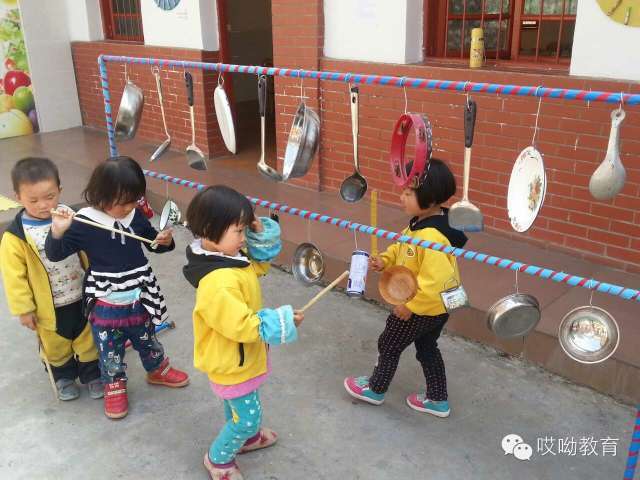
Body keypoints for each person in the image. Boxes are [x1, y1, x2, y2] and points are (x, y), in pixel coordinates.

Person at [45, 156, 189, 419]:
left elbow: (153, 246)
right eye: (122, 202)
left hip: (139, 292)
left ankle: (157, 368)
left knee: (146, 335)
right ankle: (114, 384)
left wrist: (163, 240)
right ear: (101, 195)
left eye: (134, 200)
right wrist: (57, 230)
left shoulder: (134, 216)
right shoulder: (84, 221)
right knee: (109, 347)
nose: (129, 207)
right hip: (106, 299)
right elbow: (55, 254)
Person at [182, 185, 303, 480]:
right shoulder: (218, 283)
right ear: (210, 231)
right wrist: (282, 320)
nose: (243, 237)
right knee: (248, 419)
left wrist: (259, 232)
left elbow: (258, 266)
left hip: (240, 357)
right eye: (239, 231)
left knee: (238, 405)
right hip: (231, 360)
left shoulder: (229, 258)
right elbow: (241, 325)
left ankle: (247, 441)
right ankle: (218, 459)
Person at [344, 158, 468, 418]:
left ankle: (376, 388)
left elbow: (435, 281)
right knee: (426, 348)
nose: (402, 196)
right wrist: (385, 260)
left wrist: (409, 306)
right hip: (437, 308)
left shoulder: (432, 236)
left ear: (431, 198)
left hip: (421, 306)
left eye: (408, 193)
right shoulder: (420, 222)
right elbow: (401, 246)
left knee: (389, 343)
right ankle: (437, 399)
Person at [0, 157, 102, 401]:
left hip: (81, 293)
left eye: (50, 196)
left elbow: (90, 248)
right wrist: (24, 309)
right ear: (18, 197)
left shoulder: (72, 218)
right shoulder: (15, 237)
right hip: (49, 305)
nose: (43, 205)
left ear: (60, 190)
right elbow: (14, 278)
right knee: (55, 344)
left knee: (88, 337)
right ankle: (64, 376)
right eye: (33, 200)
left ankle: (93, 375)